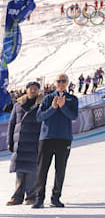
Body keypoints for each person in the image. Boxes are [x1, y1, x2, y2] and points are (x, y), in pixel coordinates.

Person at [32, 73, 78, 209]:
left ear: (67, 83)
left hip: (64, 139)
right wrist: (53, 108)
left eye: (64, 81)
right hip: (47, 138)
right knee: (42, 170)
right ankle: (39, 198)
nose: (61, 83)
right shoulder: (47, 98)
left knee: (60, 170)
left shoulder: (72, 99)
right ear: (55, 83)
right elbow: (39, 117)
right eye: (59, 81)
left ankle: (56, 197)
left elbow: (74, 116)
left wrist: (63, 107)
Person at [7, 81, 42, 205]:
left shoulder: (42, 104)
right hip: (20, 142)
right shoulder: (18, 105)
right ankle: (17, 197)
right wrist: (9, 141)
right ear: (26, 90)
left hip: (34, 142)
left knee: (32, 171)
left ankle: (31, 196)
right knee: (20, 171)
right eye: (31, 88)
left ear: (38, 91)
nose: (33, 90)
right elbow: (12, 123)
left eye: (35, 89)